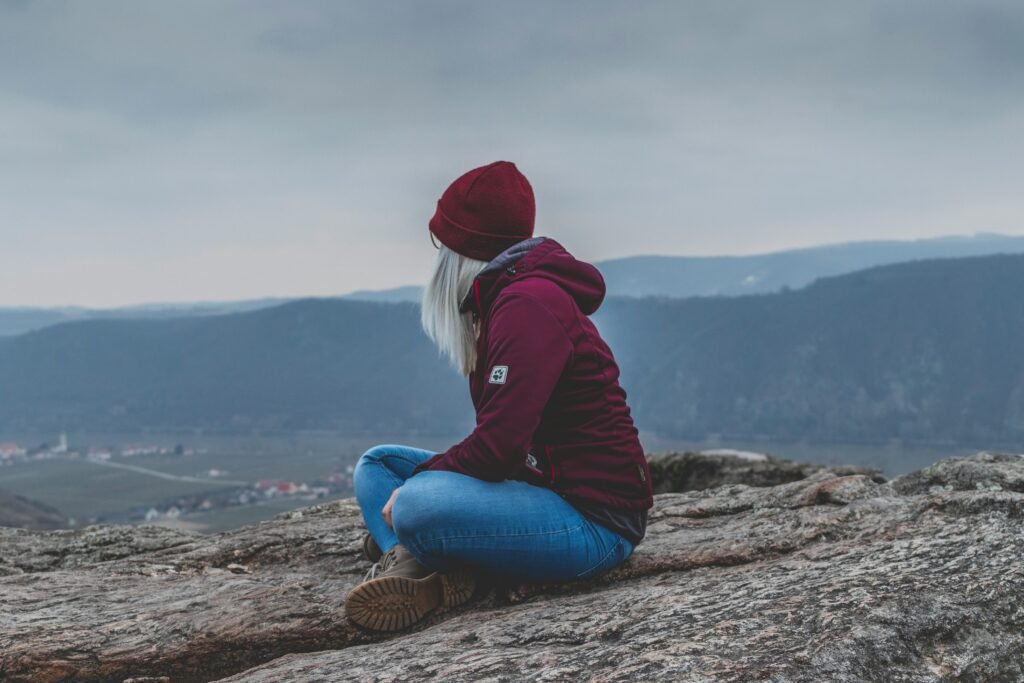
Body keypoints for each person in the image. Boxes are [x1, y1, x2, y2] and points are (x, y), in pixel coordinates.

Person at [344, 160, 654, 632]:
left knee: (414, 503)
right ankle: (419, 561)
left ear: (462, 250)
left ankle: (419, 554)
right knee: (377, 466)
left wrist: (420, 484)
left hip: (595, 524)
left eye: (440, 242)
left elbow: (496, 449)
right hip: (542, 488)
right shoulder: (502, 301)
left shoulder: (525, 305)